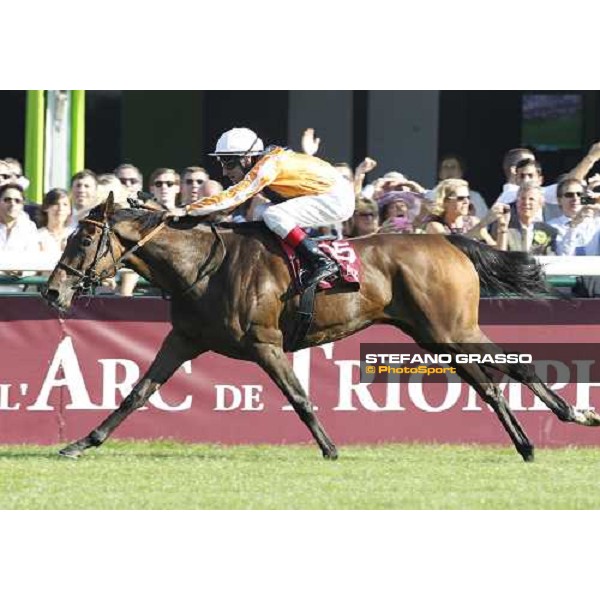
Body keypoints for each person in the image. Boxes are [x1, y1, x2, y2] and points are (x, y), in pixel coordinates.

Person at [168, 127, 355, 288]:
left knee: (274, 214)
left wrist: (186, 209)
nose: (225, 171)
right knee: (259, 213)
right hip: (326, 194)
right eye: (222, 162)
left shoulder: (267, 166)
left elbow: (233, 196)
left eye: (228, 162)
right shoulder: (267, 162)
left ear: (248, 158)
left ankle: (321, 261)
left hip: (336, 199)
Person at [498, 184, 557, 254]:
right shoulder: (504, 226)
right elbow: (499, 255)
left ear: (540, 204)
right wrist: (503, 229)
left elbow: (550, 258)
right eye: (522, 198)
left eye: (531, 199)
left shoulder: (549, 231)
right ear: (517, 202)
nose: (526, 202)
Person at [37, 188, 73, 259]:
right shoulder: (37, 236)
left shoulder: (73, 236)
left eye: (65, 204)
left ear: (69, 210)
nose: (60, 208)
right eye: (56, 204)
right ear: (46, 207)